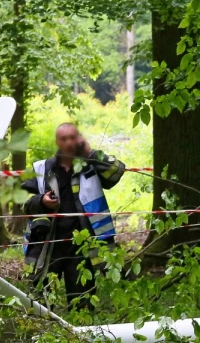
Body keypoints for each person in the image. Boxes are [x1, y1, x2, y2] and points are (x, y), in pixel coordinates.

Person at [22, 123, 125, 309]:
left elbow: (117, 171)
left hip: (82, 247)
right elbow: (22, 201)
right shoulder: (41, 168)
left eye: (72, 137)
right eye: (64, 139)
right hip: (48, 244)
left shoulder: (92, 165)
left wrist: (89, 152)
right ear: (57, 142)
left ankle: (81, 326)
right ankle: (44, 326)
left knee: (82, 304)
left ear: (79, 139)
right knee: (40, 300)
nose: (68, 143)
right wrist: (41, 200)